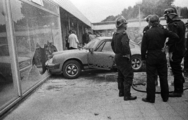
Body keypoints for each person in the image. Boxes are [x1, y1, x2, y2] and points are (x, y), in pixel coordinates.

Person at [141, 15, 179, 103]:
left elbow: (143, 48)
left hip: (151, 56)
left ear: (150, 23)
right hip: (161, 56)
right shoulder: (163, 31)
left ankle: (150, 98)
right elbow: (176, 36)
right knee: (163, 76)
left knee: (150, 77)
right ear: (158, 22)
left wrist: (143, 58)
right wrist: (167, 44)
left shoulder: (147, 33)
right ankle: (165, 97)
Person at [111, 16, 137, 101]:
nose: (126, 25)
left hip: (118, 56)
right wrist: (126, 54)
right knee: (128, 75)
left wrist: (117, 52)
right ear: (123, 25)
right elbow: (125, 45)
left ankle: (121, 92)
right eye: (125, 24)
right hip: (123, 57)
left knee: (120, 75)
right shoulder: (123, 34)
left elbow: (112, 44)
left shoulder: (115, 33)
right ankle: (127, 95)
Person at [164, 7, 186, 97]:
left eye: (166, 16)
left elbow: (173, 38)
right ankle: (179, 88)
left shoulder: (173, 25)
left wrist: (168, 46)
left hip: (175, 50)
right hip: (181, 49)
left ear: (170, 15)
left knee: (176, 69)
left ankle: (178, 90)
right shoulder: (181, 23)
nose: (166, 18)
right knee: (178, 69)